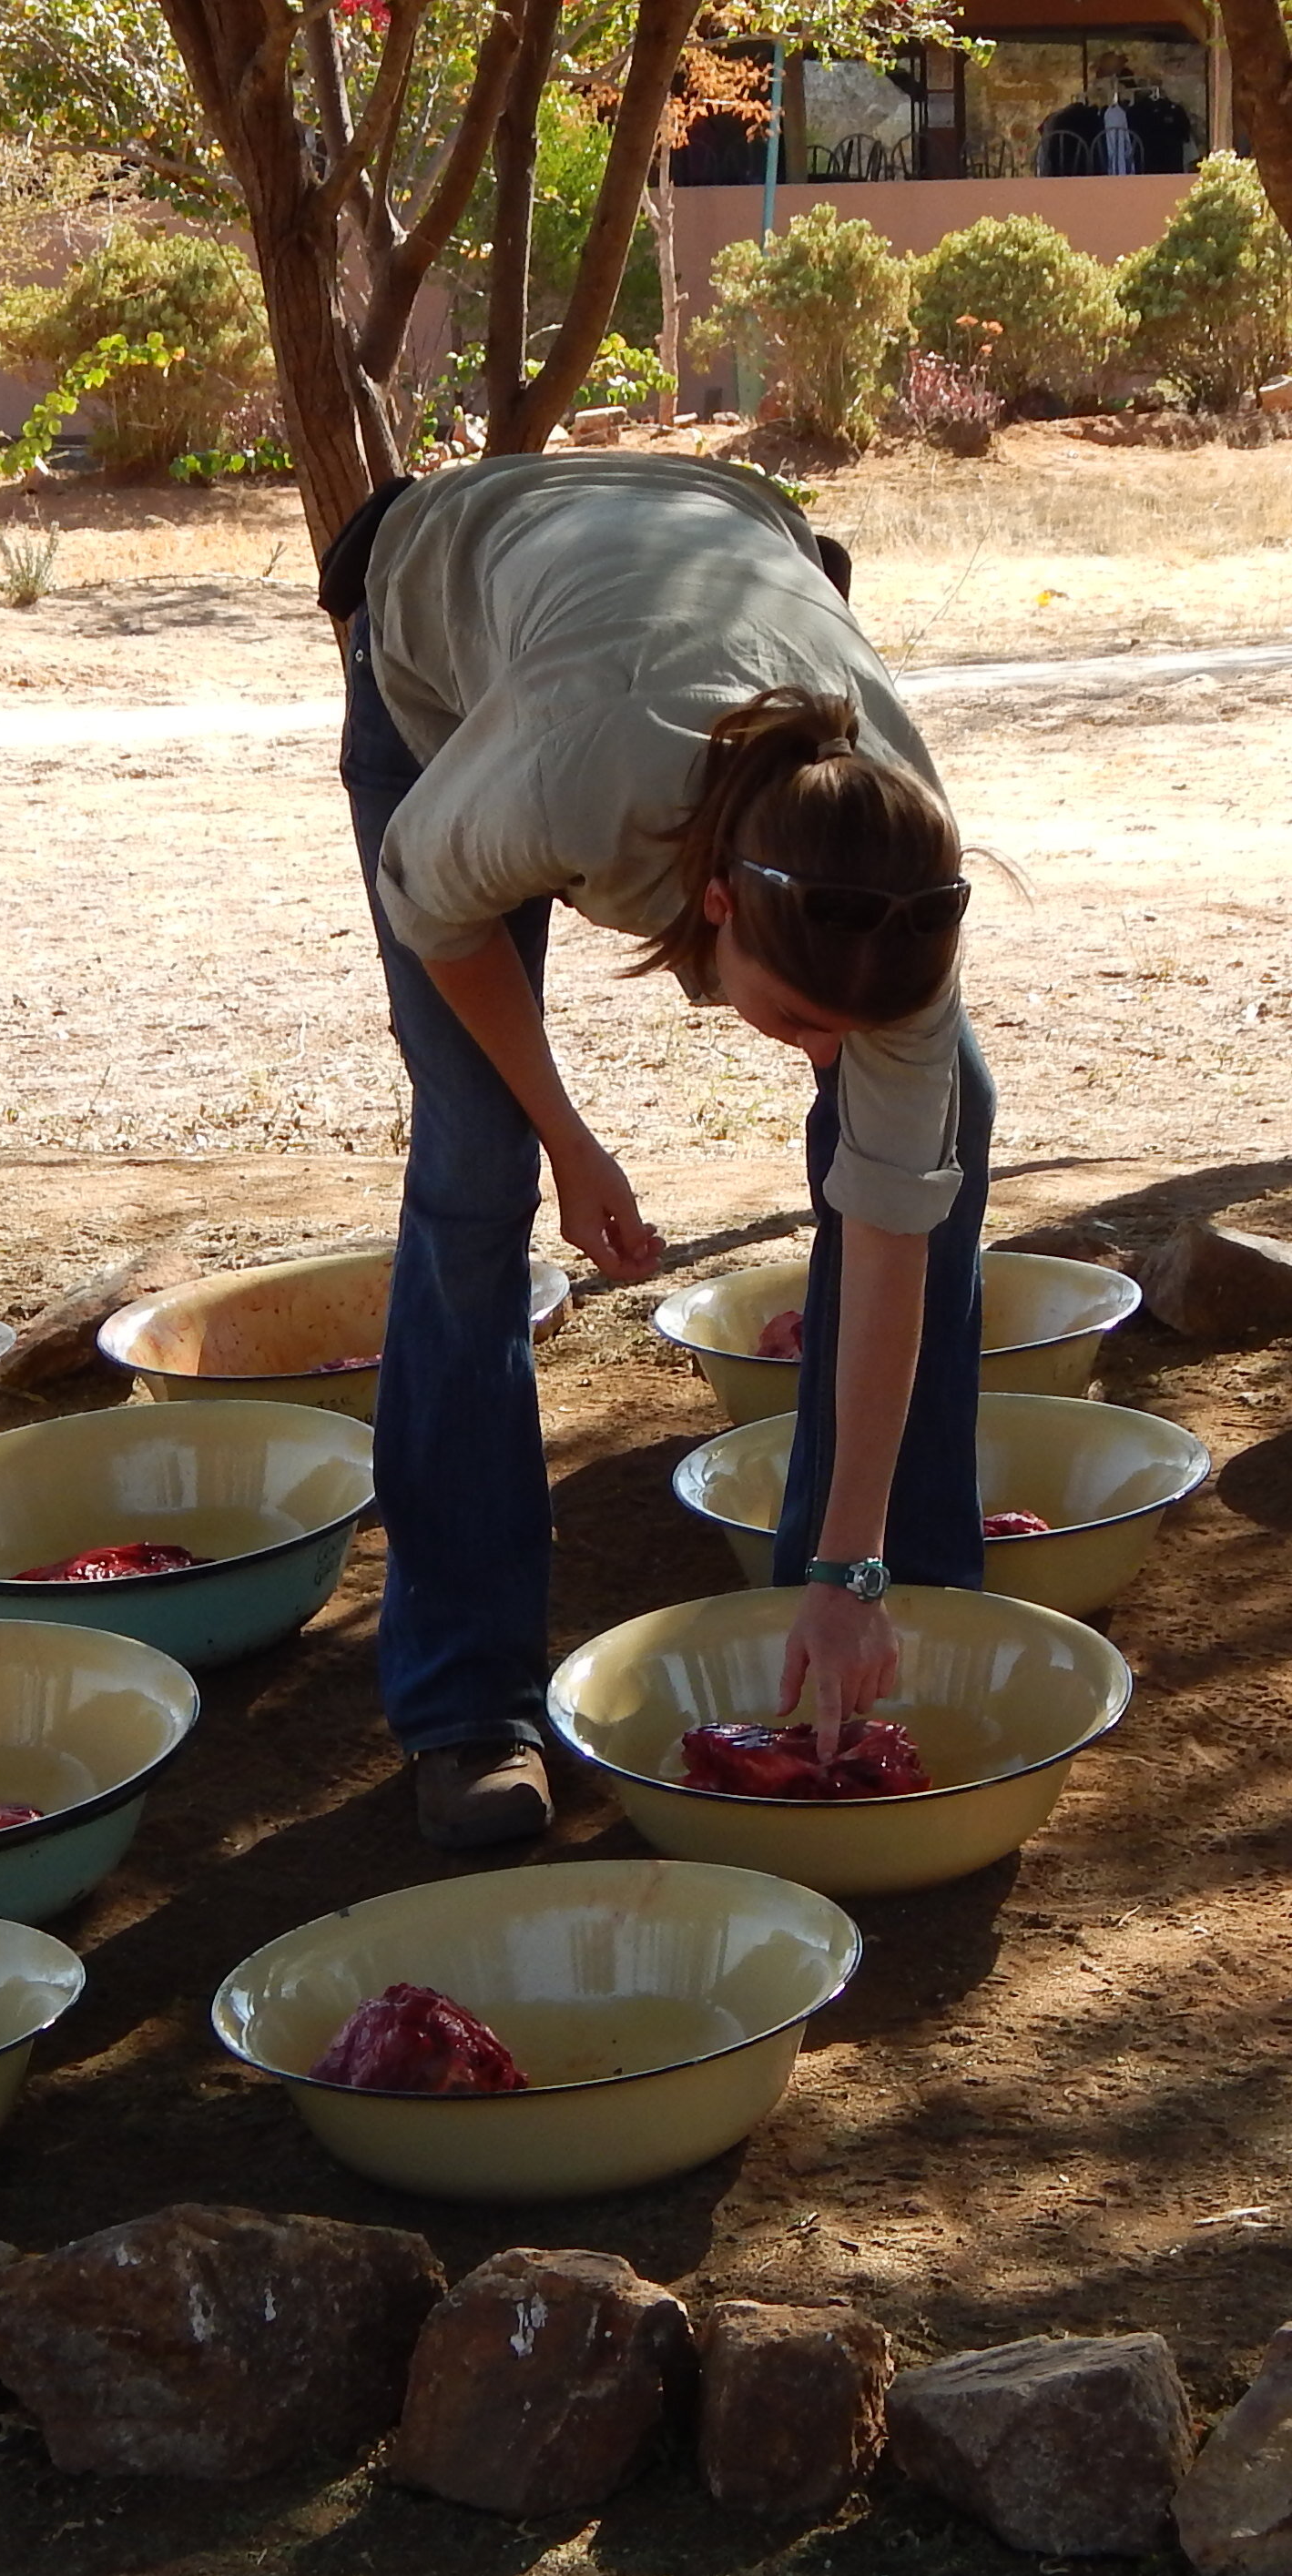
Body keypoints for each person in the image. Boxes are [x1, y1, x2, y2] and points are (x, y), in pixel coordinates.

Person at [323, 455, 993, 1851]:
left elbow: (885, 1231)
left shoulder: (891, 875)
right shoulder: (573, 786)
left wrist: (849, 1564)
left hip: (722, 525)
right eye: (800, 1018)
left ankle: (880, 1614)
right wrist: (568, 1138)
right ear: (708, 906)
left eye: (847, 1031)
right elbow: (437, 911)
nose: (822, 1052)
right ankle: (466, 1707)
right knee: (475, 1163)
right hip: (443, 613)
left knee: (946, 1119)